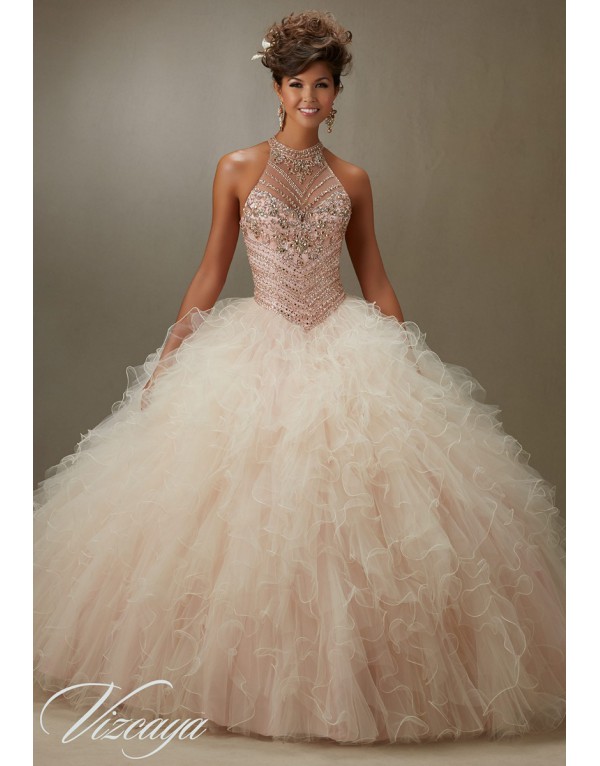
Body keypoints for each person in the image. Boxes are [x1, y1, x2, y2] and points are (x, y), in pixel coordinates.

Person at [33, 9, 566, 746]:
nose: (309, 97)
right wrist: (172, 351)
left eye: (321, 84)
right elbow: (212, 269)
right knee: (247, 520)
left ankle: (352, 687)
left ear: (337, 92)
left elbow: (375, 277)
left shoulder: (354, 178)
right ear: (276, 89)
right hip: (256, 344)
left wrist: (407, 360)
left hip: (343, 345)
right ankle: (244, 685)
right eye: (296, 84)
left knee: (356, 518)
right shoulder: (237, 167)